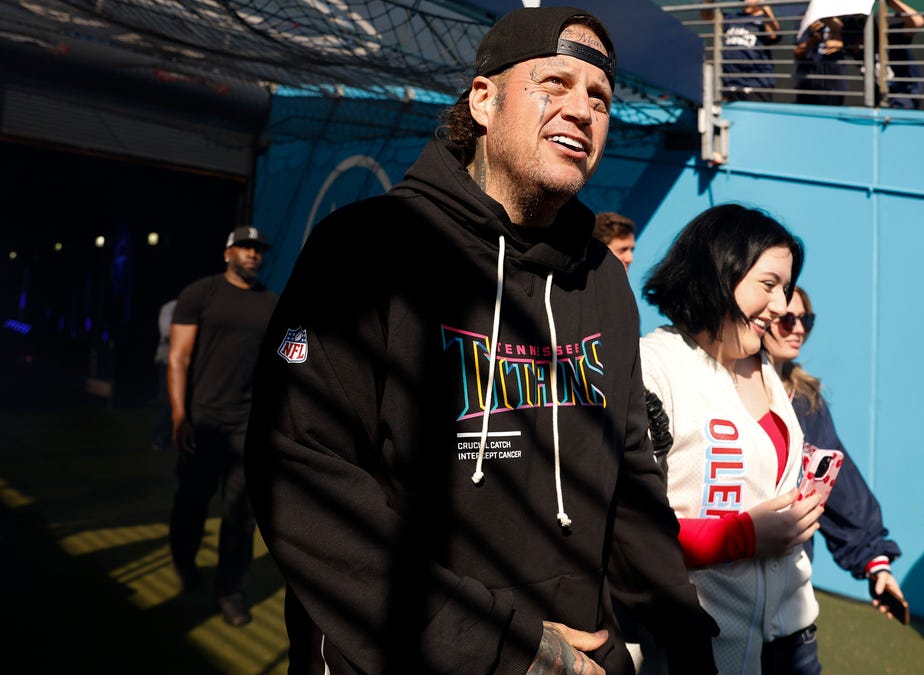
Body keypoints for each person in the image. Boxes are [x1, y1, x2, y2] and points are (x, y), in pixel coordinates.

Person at [243, 7, 718, 674]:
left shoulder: (604, 282)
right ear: (484, 100)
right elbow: (301, 480)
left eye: (600, 97)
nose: (583, 109)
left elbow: (632, 483)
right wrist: (509, 648)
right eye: (554, 82)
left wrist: (686, 639)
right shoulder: (365, 248)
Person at [637, 203, 825, 675]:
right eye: (769, 285)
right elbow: (626, 530)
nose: (782, 307)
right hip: (687, 649)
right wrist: (744, 535)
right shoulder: (654, 366)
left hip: (788, 639)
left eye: (785, 288)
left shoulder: (764, 366)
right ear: (718, 271)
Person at [762, 287, 906, 624]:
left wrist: (874, 561)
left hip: (791, 585)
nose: (798, 328)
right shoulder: (724, 389)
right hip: (729, 579)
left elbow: (837, 484)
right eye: (787, 320)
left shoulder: (807, 400)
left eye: (805, 320)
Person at [167, 225, 277, 627]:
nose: (253, 254)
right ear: (227, 252)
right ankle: (184, 560)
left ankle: (231, 590)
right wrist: (180, 416)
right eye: (245, 248)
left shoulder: (269, 303)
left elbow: (277, 366)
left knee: (241, 514)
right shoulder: (201, 293)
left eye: (257, 250)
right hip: (204, 420)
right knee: (192, 503)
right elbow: (178, 359)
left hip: (246, 425)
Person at [703, 0, 782, 102]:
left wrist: (764, 6)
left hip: (756, 85)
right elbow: (707, 16)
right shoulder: (733, 17)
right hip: (731, 84)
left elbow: (773, 34)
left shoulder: (764, 19)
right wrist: (709, 2)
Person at [793, 16, 851, 107]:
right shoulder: (808, 17)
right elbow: (797, 52)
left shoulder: (844, 17)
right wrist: (814, 38)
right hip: (808, 82)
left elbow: (857, 45)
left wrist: (840, 42)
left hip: (834, 83)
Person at [152, 297, 177, 451]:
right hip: (168, 361)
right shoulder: (170, 307)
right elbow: (167, 332)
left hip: (188, 362)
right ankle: (160, 438)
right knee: (168, 400)